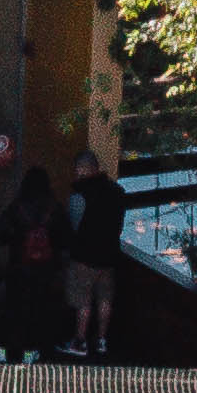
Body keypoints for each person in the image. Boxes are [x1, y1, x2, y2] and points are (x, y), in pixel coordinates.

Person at [0, 135, 63, 362]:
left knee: (14, 309)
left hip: (19, 267)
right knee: (38, 309)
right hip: (45, 269)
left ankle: (5, 349)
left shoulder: (18, 207)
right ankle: (31, 351)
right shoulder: (54, 208)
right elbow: (65, 237)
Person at [62, 148, 129, 359]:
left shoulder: (79, 196)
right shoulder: (118, 192)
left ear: (81, 169)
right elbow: (119, 226)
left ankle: (80, 342)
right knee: (105, 299)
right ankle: (101, 340)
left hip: (85, 258)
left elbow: (74, 227)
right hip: (109, 256)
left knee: (84, 301)